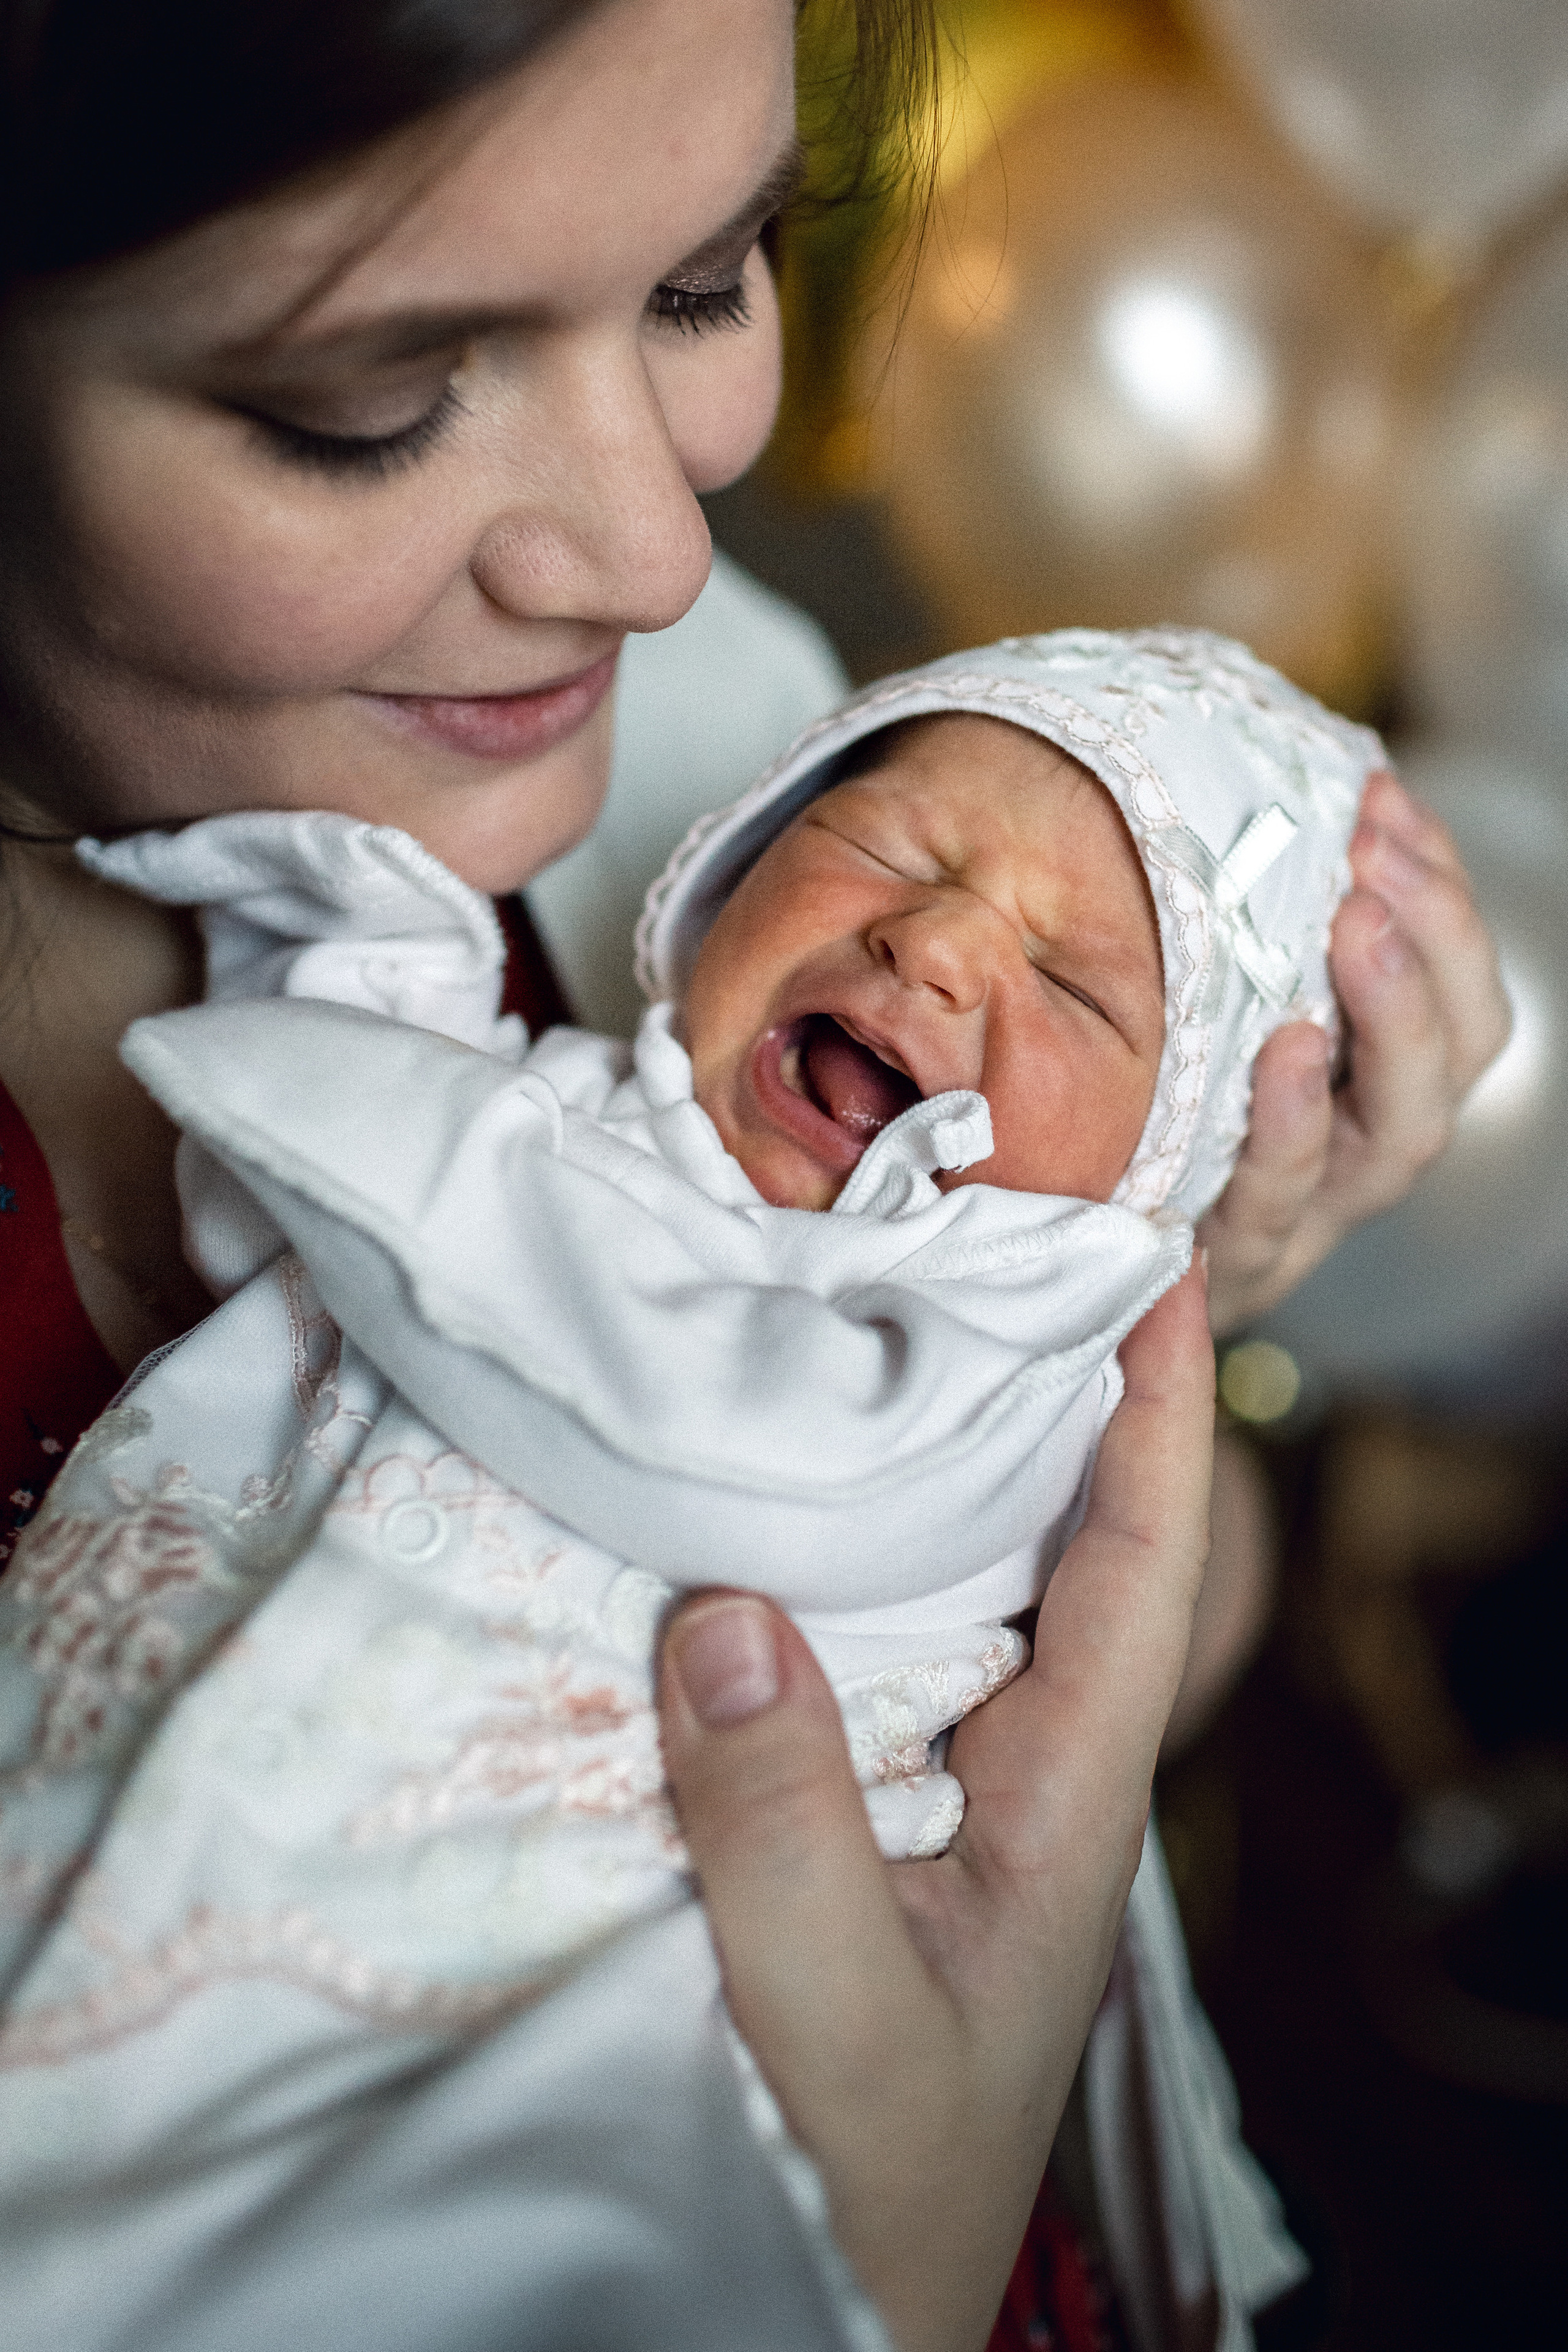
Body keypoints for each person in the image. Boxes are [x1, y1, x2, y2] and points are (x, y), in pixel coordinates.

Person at [0, 4, 1509, 2348]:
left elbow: (1079, 1629)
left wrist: (1154, 1340)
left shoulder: (724, 739)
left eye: (713, 276)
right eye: (365, 407)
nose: (644, 552)